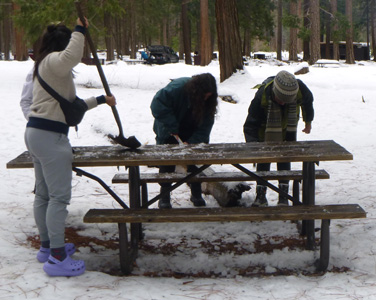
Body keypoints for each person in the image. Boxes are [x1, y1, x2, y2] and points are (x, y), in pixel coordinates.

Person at [24, 18, 116, 277]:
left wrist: (100, 100)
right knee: (58, 199)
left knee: (44, 196)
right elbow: (73, 55)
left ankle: (47, 247)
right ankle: (56, 258)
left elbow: (69, 106)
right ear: (61, 44)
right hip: (50, 138)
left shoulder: (46, 66)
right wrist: (80, 30)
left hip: (37, 133)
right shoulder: (54, 60)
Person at [243, 70, 314, 207]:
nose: (282, 103)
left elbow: (308, 101)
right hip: (266, 128)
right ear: (274, 92)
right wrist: (253, 146)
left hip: (288, 125)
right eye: (280, 100)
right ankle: (261, 196)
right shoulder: (262, 95)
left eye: (287, 101)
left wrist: (308, 121)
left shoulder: (299, 89)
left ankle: (284, 196)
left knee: (285, 156)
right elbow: (250, 124)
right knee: (264, 159)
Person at [150, 73, 218, 209]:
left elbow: (205, 127)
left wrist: (193, 141)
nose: (206, 98)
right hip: (168, 128)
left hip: (191, 128)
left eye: (209, 96)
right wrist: (172, 125)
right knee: (167, 162)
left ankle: (196, 193)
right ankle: (164, 196)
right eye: (204, 95)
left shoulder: (208, 101)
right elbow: (157, 105)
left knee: (194, 161)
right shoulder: (177, 88)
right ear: (197, 90)